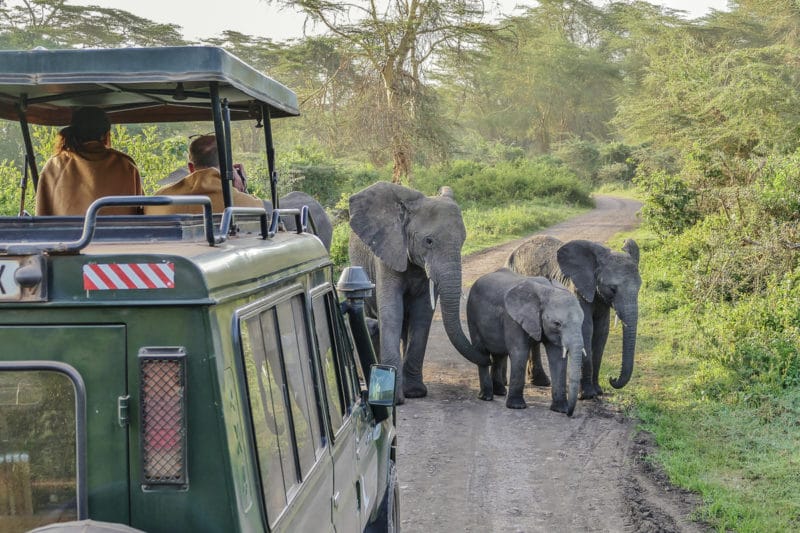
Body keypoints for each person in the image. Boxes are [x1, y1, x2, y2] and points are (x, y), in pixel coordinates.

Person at [35, 106, 143, 216]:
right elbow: (140, 214)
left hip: (67, 233)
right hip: (118, 233)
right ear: (106, 136)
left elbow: (41, 217)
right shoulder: (126, 165)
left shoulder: (54, 166)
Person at [144, 134, 263, 215]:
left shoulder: (159, 199)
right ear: (229, 167)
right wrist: (240, 190)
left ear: (191, 167)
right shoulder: (248, 205)